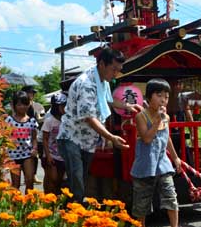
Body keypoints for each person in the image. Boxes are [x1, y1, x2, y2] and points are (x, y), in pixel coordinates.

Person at [57, 47, 142, 203]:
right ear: (102, 64)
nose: (116, 73)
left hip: (87, 141)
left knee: (80, 178)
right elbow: (90, 117)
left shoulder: (103, 80)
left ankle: (69, 213)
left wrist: (127, 107)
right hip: (71, 138)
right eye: (114, 69)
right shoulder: (86, 83)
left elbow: (108, 100)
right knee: (77, 179)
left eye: (119, 70)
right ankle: (73, 217)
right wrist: (110, 137)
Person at [130, 78, 188, 227]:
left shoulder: (166, 118)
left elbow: (167, 138)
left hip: (163, 164)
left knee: (171, 195)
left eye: (166, 96)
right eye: (159, 95)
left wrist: (176, 158)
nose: (163, 100)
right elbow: (147, 138)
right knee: (142, 200)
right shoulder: (141, 116)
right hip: (145, 166)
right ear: (148, 97)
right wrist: (157, 120)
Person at [6, 90, 38, 193]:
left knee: (29, 181)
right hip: (13, 155)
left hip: (27, 154)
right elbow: (5, 138)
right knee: (16, 184)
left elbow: (34, 138)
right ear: (14, 105)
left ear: (29, 105)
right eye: (19, 104)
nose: (22, 107)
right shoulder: (9, 120)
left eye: (25, 104)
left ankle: (29, 205)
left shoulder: (32, 121)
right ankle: (16, 207)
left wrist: (34, 148)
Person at [41, 92, 67, 194]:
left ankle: (55, 201)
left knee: (59, 180)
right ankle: (47, 196)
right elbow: (45, 139)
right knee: (52, 178)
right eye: (61, 106)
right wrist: (48, 156)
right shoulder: (49, 121)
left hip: (62, 155)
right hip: (51, 154)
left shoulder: (66, 120)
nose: (64, 108)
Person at [22, 85, 45, 184]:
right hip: (23, 133)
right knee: (23, 155)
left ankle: (33, 175)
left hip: (34, 131)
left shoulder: (37, 105)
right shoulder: (20, 104)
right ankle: (26, 175)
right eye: (30, 93)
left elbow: (39, 118)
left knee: (34, 155)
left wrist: (45, 118)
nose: (32, 95)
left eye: (33, 93)